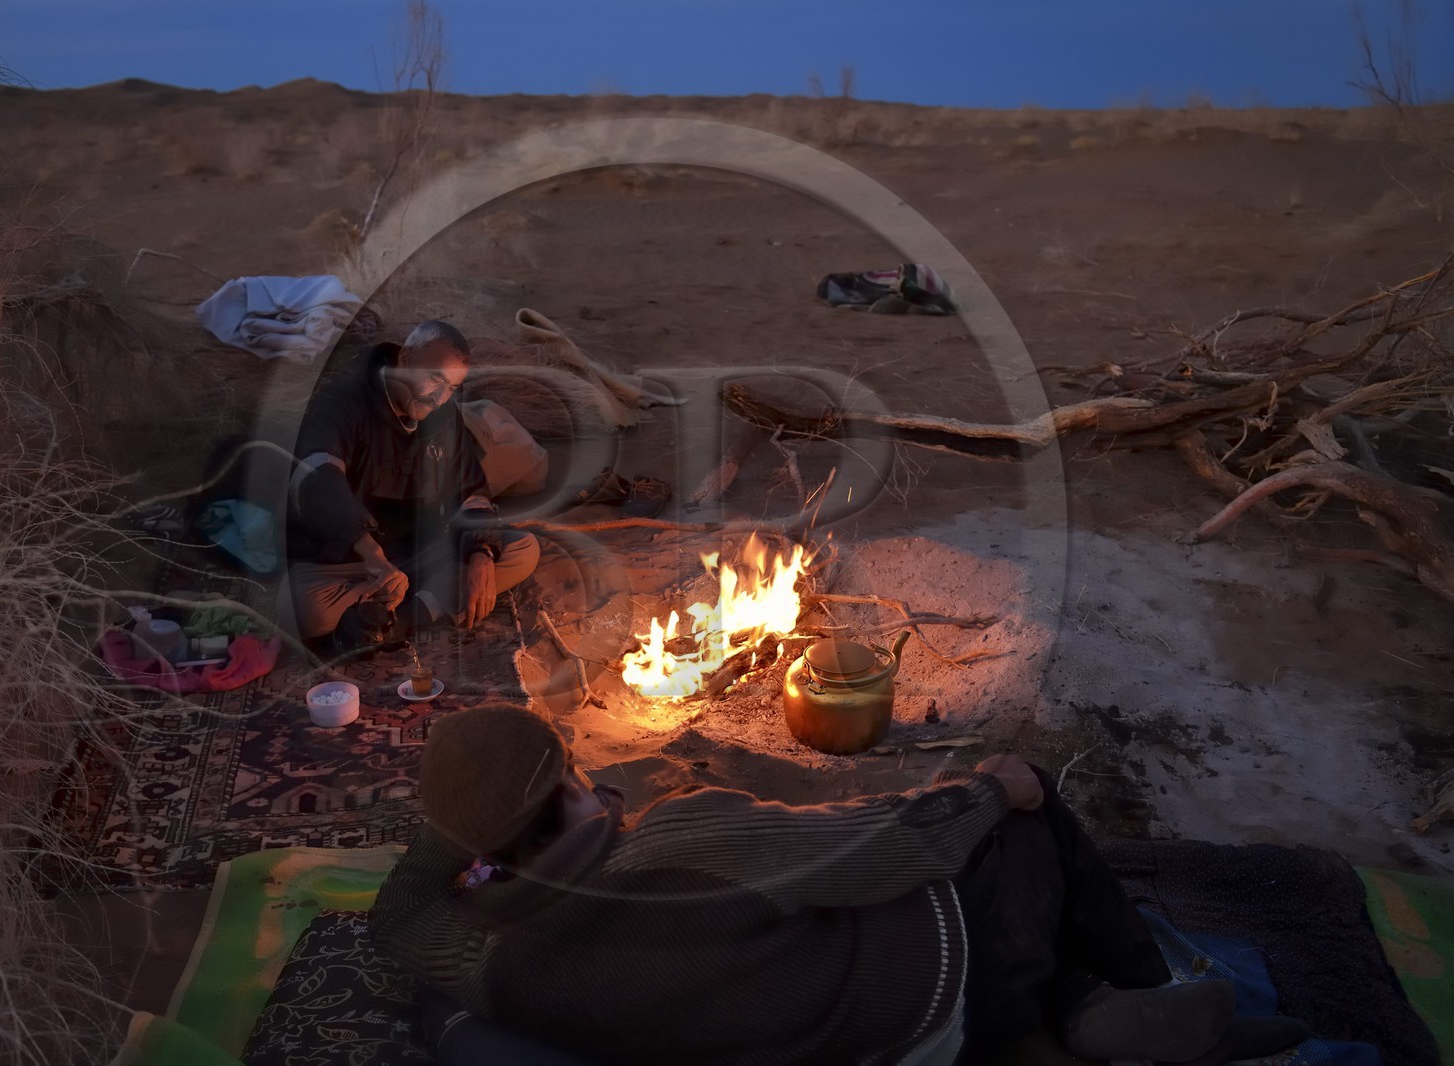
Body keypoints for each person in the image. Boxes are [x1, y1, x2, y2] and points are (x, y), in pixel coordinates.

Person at [370, 704, 1312, 1066]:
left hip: (821, 1038)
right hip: (928, 999)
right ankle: (1140, 994)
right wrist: (988, 787)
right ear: (567, 791)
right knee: (1023, 830)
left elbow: (400, 904)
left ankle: (1084, 1010)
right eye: (573, 771)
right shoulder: (677, 841)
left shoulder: (480, 951)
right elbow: (886, 847)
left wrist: (470, 822)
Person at [281, 321, 540, 650]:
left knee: (523, 550)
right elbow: (317, 479)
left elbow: (472, 491)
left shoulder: (443, 413)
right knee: (305, 612)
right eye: (435, 378)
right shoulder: (343, 400)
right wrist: (372, 555)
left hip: (418, 552)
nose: (440, 398)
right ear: (406, 358)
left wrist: (482, 554)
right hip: (350, 561)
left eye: (451, 387)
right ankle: (424, 602)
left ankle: (397, 623)